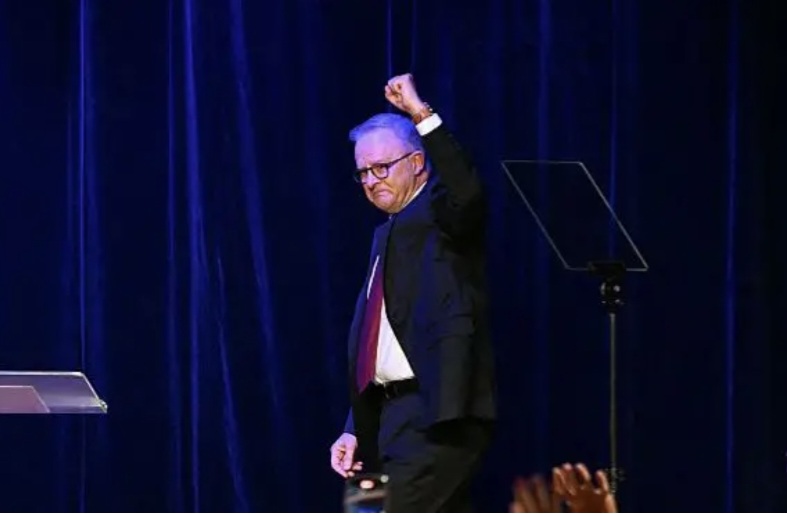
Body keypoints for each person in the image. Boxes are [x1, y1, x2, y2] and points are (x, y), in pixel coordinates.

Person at [329, 73, 496, 512]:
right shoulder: (385, 234)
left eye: (381, 167)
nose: (371, 180)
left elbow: (466, 192)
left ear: (418, 162)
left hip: (435, 413)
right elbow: (380, 343)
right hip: (386, 420)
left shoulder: (441, 214)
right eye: (363, 172)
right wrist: (353, 426)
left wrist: (420, 112)